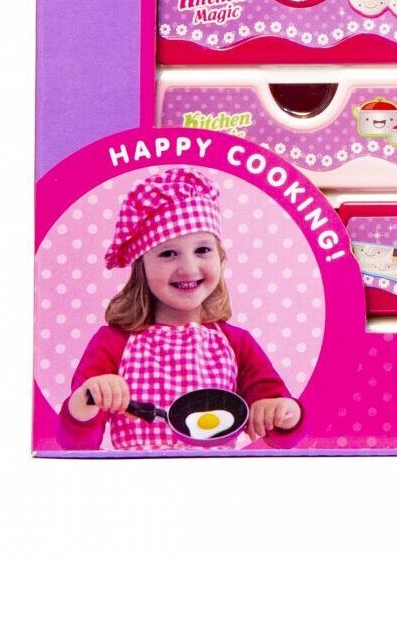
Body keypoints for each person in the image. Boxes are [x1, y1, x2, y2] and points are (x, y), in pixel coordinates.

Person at [58, 168, 302, 450]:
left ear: (220, 257)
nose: (188, 268)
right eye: (168, 253)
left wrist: (284, 412)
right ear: (142, 266)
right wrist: (86, 399)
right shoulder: (113, 342)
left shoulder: (237, 344)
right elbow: (75, 443)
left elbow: (283, 429)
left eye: (202, 250)